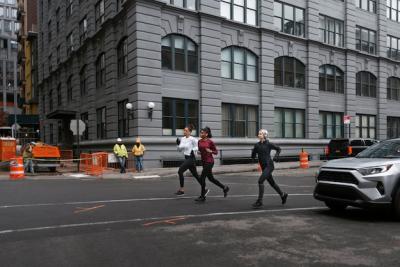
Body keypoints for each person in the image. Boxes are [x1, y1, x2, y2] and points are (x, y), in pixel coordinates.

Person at [251, 129, 288, 208]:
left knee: (260, 181)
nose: (259, 134)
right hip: (264, 167)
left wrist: (276, 156)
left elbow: (279, 149)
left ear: (265, 135)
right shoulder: (257, 145)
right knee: (272, 183)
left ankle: (259, 201)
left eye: (261, 133)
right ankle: (283, 195)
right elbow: (253, 155)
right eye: (259, 133)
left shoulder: (268, 144)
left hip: (269, 166)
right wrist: (253, 154)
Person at [195, 127, 229, 202]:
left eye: (202, 133)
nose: (201, 134)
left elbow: (216, 152)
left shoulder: (210, 142)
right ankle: (224, 187)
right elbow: (200, 151)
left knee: (202, 177)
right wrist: (199, 152)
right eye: (200, 132)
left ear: (206, 134)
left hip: (209, 161)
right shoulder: (199, 141)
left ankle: (202, 196)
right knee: (211, 178)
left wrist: (210, 151)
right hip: (203, 162)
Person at [175, 124, 205, 196]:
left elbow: (198, 147)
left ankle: (182, 190)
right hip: (187, 158)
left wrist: (193, 150)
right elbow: (179, 150)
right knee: (196, 175)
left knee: (180, 171)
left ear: (190, 132)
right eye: (184, 130)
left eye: (186, 130)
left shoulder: (193, 139)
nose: (184, 132)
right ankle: (205, 188)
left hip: (191, 158)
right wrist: (178, 144)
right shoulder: (182, 139)